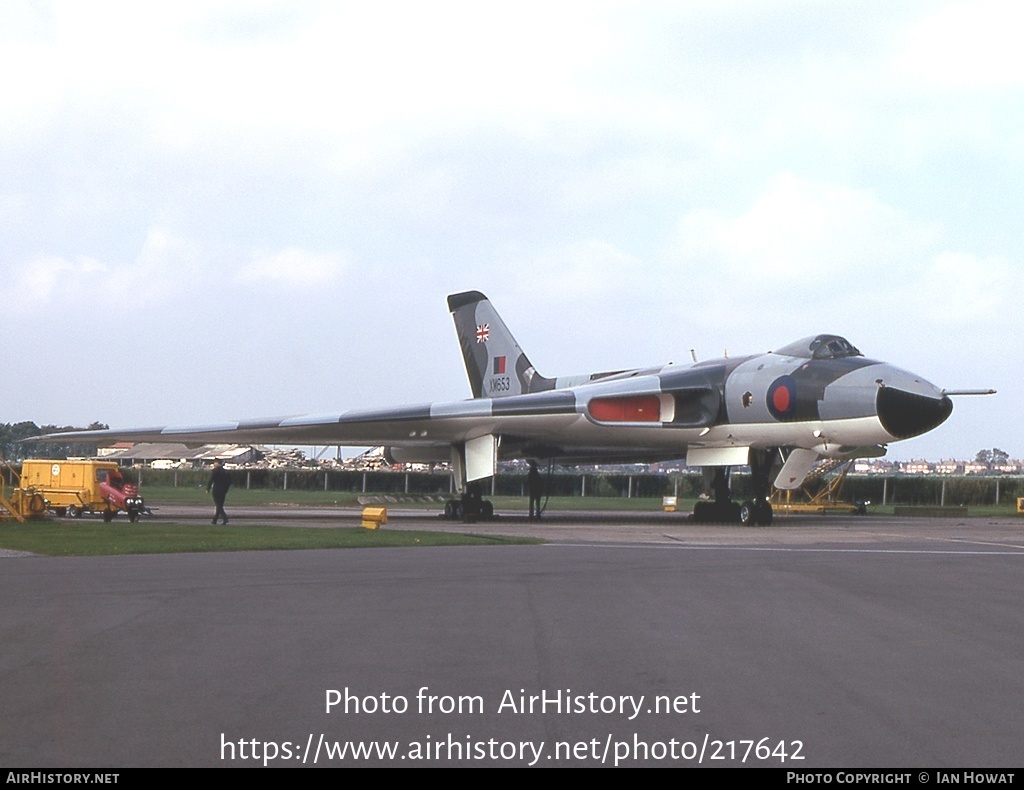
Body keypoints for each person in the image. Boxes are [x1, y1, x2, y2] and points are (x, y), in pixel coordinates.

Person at [207, 459, 231, 525]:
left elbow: (211, 480)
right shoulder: (226, 472)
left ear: (217, 463)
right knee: (219, 505)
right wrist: (226, 490)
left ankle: (225, 518)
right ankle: (214, 520)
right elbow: (228, 482)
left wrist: (208, 488)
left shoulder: (215, 471)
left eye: (215, 463)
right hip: (223, 490)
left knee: (218, 505)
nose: (214, 464)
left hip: (216, 490)